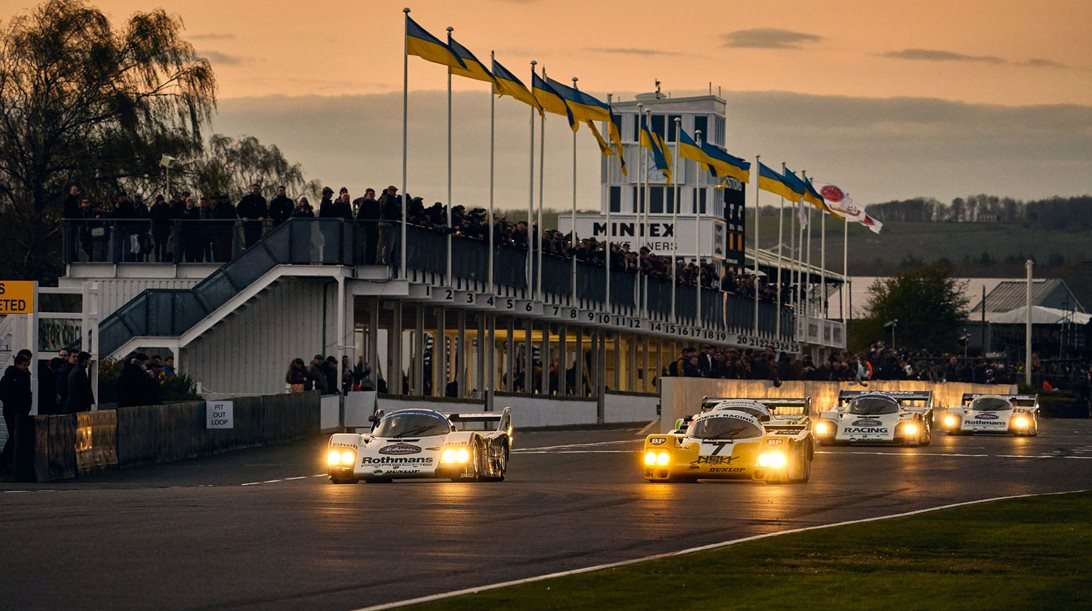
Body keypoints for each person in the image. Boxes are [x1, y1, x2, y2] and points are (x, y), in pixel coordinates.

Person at [1, 352, 33, 470]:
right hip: (13, 410)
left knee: (16, 434)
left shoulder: (21, 376)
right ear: (18, 365)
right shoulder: (12, 377)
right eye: (24, 365)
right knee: (15, 434)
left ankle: (9, 459)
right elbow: (6, 394)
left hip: (19, 409)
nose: (26, 367)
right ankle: (6, 458)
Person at [236, 183, 268, 248]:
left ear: (259, 190)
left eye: (257, 189)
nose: (255, 190)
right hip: (248, 223)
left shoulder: (262, 200)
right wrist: (243, 217)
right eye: (254, 189)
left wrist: (263, 217)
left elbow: (265, 211)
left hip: (258, 224)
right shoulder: (246, 199)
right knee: (248, 241)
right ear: (251, 190)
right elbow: (239, 209)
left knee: (257, 241)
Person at [355, 188, 380, 264]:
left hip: (374, 227)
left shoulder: (376, 204)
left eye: (373, 194)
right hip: (367, 227)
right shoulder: (365, 203)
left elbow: (378, 214)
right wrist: (363, 224)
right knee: (368, 244)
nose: (372, 196)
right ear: (367, 195)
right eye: (370, 194)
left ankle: (372, 260)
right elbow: (359, 216)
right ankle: (367, 261)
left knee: (374, 245)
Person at [149, 194, 174, 262]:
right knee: (157, 246)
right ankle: (157, 259)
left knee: (163, 245)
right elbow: (151, 216)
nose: (161, 202)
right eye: (160, 200)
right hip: (157, 229)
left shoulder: (165, 207)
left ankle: (163, 259)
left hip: (164, 229)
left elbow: (169, 217)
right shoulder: (154, 207)